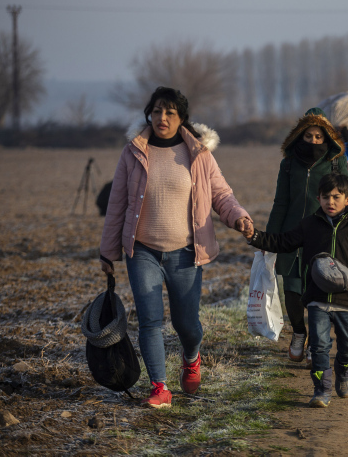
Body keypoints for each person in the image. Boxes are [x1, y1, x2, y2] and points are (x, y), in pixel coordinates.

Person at [99, 87, 253, 408]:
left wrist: (237, 216)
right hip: (142, 251)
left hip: (186, 251)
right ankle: (159, 388)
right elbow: (117, 205)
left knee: (187, 324)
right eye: (156, 111)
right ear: (149, 115)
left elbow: (221, 194)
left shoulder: (198, 154)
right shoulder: (134, 151)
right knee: (150, 320)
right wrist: (107, 252)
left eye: (169, 112)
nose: (162, 118)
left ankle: (191, 356)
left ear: (182, 117)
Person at [246, 173, 348, 407]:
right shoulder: (309, 225)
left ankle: (343, 371)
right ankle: (321, 390)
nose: (331, 202)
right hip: (317, 298)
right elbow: (283, 242)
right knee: (318, 347)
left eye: (336, 197)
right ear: (318, 198)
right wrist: (254, 236)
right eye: (326, 197)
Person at [267, 108, 348, 364]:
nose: (313, 141)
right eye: (308, 136)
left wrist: (346, 234)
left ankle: (315, 343)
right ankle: (299, 333)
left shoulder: (336, 162)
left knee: (318, 293)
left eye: (318, 136)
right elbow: (280, 202)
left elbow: (347, 200)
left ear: (327, 138)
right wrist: (269, 238)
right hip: (292, 236)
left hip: (323, 237)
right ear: (299, 136)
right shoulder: (289, 164)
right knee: (292, 291)